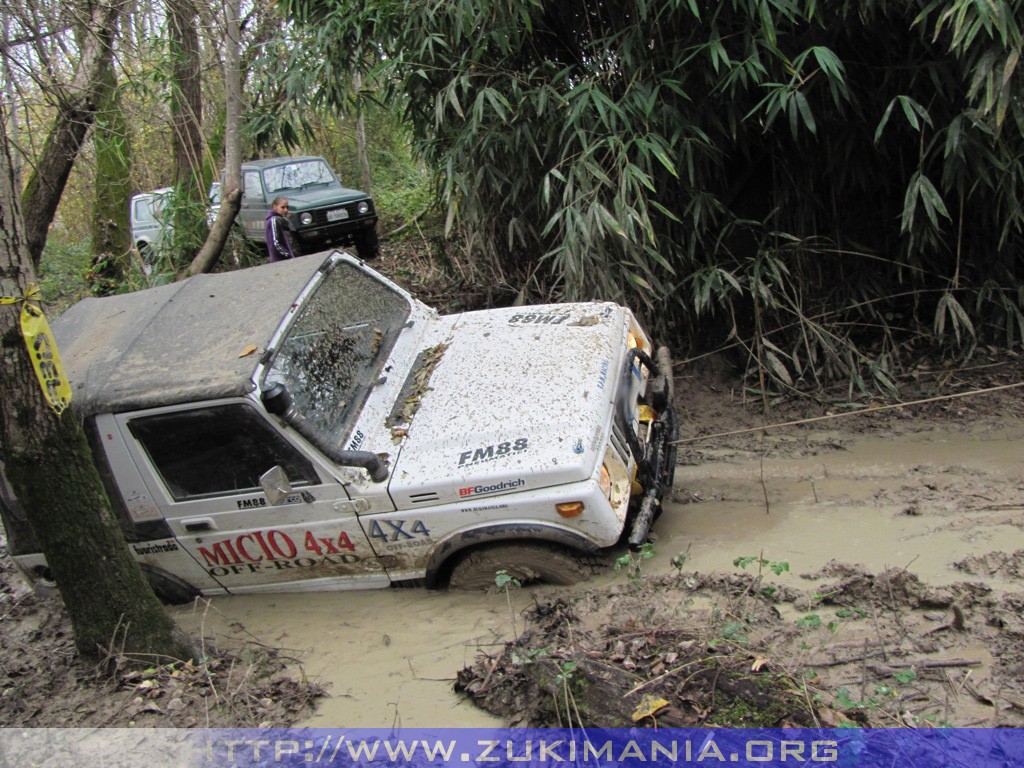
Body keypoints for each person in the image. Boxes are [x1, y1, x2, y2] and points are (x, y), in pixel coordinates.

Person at [265, 197, 298, 262]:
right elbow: (275, 244)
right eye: (282, 207)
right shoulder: (273, 220)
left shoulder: (280, 220)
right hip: (280, 262)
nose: (286, 210)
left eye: (287, 207)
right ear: (275, 207)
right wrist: (288, 255)